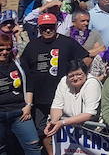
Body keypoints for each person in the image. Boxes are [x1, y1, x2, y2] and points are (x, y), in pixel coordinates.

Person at [19, 12, 89, 152]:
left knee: (66, 129)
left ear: (56, 26)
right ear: (39, 28)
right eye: (44, 27)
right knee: (44, 130)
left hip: (65, 97)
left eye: (51, 26)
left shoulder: (67, 42)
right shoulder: (32, 46)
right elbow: (24, 70)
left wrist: (79, 78)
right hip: (40, 100)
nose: (48, 30)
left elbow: (85, 58)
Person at [0, 33, 41, 155]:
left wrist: (28, 105)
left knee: (33, 145)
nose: (4, 52)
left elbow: (29, 83)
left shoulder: (18, 63)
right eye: (1, 49)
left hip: (20, 112)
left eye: (8, 49)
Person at [44, 60, 101, 136]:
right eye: (71, 76)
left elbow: (89, 114)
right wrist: (54, 122)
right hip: (70, 127)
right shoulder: (64, 81)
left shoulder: (92, 83)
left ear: (86, 73)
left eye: (79, 74)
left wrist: (62, 122)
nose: (75, 78)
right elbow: (57, 106)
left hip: (93, 130)